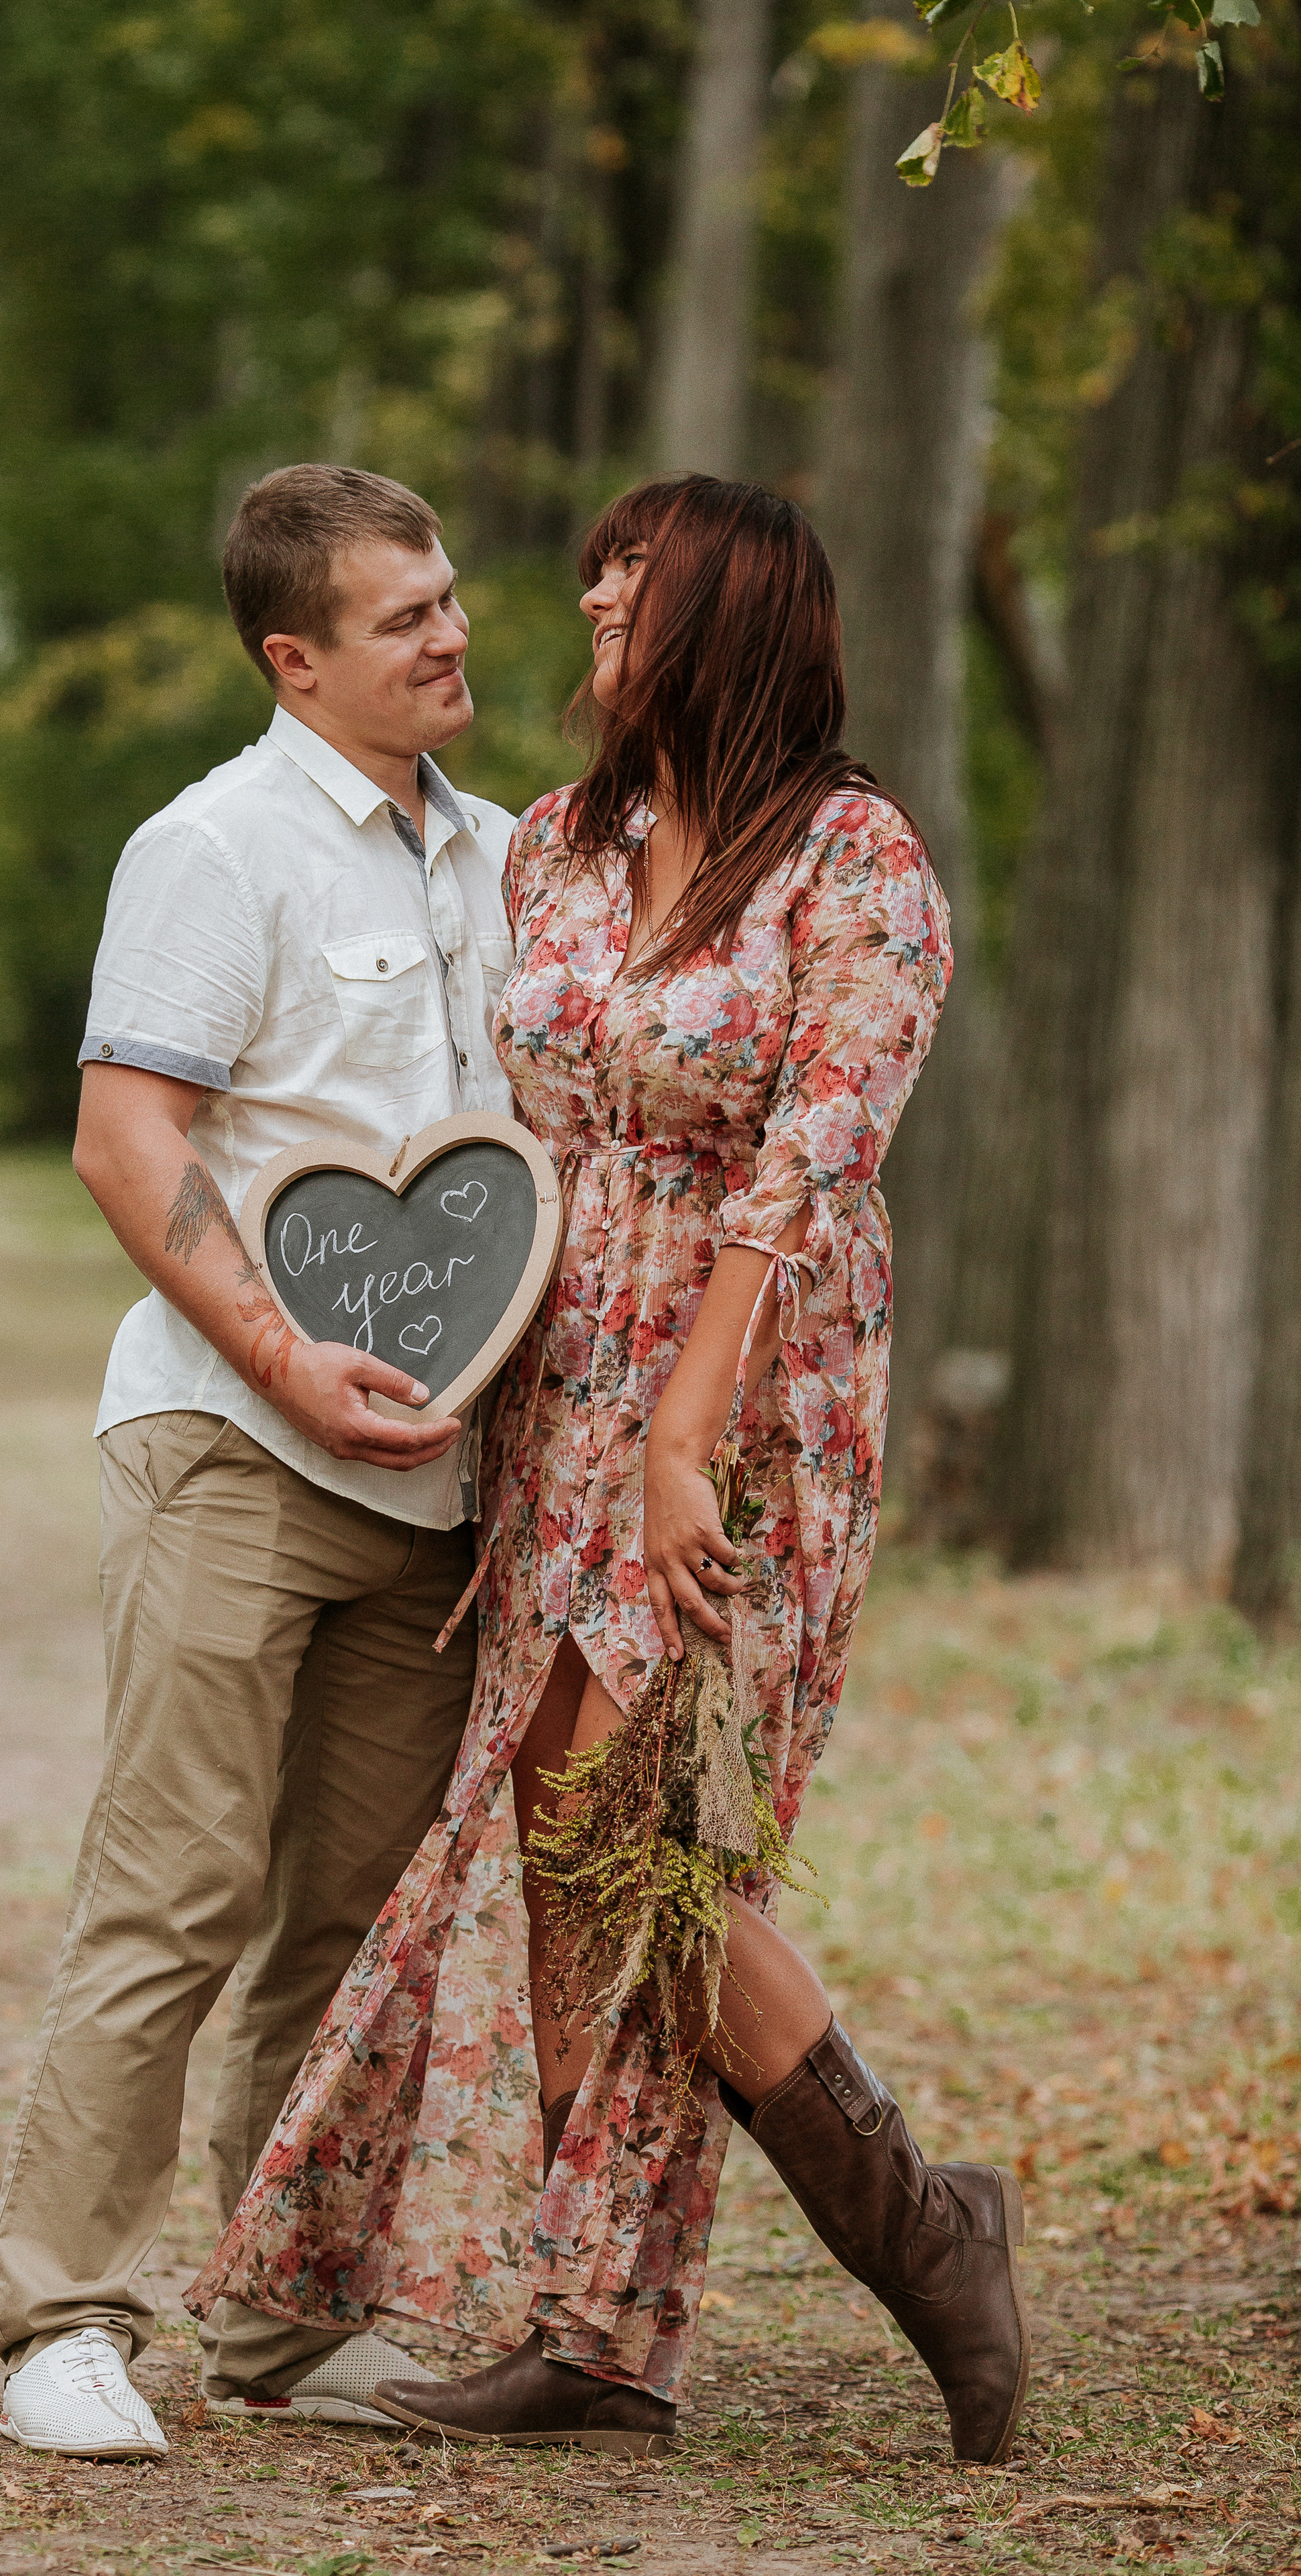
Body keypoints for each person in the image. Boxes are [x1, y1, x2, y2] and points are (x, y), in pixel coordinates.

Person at [191, 475, 1029, 2465]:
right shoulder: (562, 843)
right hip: (561, 1389)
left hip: (758, 1400)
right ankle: (601, 2333)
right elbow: (506, 1117)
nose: (585, 608)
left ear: (723, 617)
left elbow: (810, 1167)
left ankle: (926, 2236)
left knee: (637, 1819)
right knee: (569, 1844)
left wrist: (683, 1432)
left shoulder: (855, 859)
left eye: (625, 584)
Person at [0, 464, 520, 2457]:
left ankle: (286, 2322)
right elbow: (124, 1141)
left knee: (347, 1922)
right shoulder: (212, 848)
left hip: (438, 1487)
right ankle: (64, 2324)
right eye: (405, 617)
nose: (453, 635)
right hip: (232, 1442)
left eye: (448, 596)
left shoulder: (504, 858)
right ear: (295, 660)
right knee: (178, 1887)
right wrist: (291, 1361)